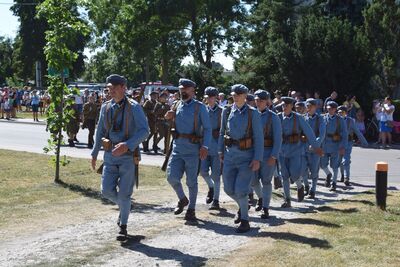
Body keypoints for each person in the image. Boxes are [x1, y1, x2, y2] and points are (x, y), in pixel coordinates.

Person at [91, 74, 149, 237]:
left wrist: (127, 145)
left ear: (124, 88)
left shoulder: (135, 107)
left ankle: (123, 226)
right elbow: (100, 131)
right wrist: (95, 152)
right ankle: (126, 206)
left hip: (128, 157)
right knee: (106, 191)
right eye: (110, 88)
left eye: (115, 88)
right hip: (109, 156)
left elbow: (145, 131)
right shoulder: (106, 107)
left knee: (124, 193)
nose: (111, 91)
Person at [164, 78, 211, 222]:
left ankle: (191, 210)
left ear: (192, 90)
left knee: (191, 182)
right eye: (180, 89)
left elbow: (208, 129)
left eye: (185, 89)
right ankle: (182, 199)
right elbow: (170, 121)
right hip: (177, 147)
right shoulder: (177, 104)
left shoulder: (199, 107)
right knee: (171, 176)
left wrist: (205, 146)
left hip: (193, 149)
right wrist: (168, 117)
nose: (182, 91)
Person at [218, 84, 263, 233]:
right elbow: (221, 132)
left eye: (239, 94)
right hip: (230, 155)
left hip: (246, 157)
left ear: (245, 96)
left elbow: (258, 137)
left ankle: (245, 221)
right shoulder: (227, 111)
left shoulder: (253, 114)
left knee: (241, 190)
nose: (235, 96)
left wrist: (257, 159)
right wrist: (220, 151)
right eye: (234, 94)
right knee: (228, 189)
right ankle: (243, 206)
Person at [278, 97, 323, 208]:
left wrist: (316, 146)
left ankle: (300, 186)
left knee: (295, 173)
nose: (284, 107)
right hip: (282, 150)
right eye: (283, 105)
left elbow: (309, 132)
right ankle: (287, 199)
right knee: (284, 175)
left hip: (295, 150)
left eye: (286, 106)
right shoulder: (278, 117)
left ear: (291, 106)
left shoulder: (298, 118)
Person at [252, 89, 282, 219]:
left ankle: (265, 208)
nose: (258, 103)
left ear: (267, 102)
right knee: (253, 181)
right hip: (253, 153)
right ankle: (260, 198)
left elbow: (278, 138)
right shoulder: (251, 115)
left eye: (261, 101)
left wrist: (274, 156)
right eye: (256, 100)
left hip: (267, 152)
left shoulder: (273, 117)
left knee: (266, 181)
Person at [200, 86, 223, 210]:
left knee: (216, 176)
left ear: (216, 98)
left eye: (211, 97)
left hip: (217, 146)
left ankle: (216, 200)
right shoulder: (203, 110)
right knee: (203, 172)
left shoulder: (222, 111)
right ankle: (211, 187)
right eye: (207, 97)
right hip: (205, 146)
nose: (209, 99)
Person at [337, 105, 368, 186]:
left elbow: (357, 131)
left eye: (342, 112)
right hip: (338, 143)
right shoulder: (335, 120)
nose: (340, 114)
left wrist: (364, 142)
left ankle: (347, 178)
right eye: (339, 112)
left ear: (346, 113)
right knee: (339, 161)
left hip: (348, 142)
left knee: (346, 160)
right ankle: (343, 176)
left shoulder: (350, 121)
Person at [321, 101, 348, 191]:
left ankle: (334, 183)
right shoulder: (323, 118)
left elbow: (344, 134)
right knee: (322, 164)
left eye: (332, 108)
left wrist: (342, 146)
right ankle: (328, 174)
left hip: (335, 145)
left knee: (335, 166)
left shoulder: (340, 120)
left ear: (335, 109)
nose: (330, 110)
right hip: (324, 145)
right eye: (328, 108)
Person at [303, 99, 326, 199]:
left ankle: (313, 190)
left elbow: (321, 134)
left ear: (315, 107)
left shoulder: (320, 119)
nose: (309, 108)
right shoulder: (303, 118)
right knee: (303, 169)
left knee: (314, 170)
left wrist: (315, 144)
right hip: (304, 148)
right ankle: (306, 186)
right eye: (307, 106)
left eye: (311, 106)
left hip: (316, 149)